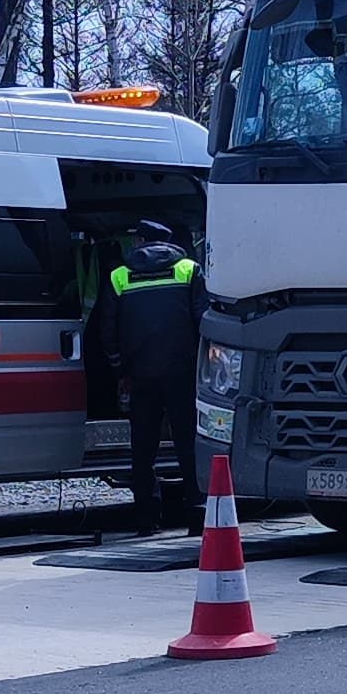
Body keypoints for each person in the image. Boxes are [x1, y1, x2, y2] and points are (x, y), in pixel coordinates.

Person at [94, 219, 206, 529]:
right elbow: (202, 321)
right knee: (188, 444)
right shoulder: (189, 270)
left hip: (139, 375)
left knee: (143, 448)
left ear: (141, 240)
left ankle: (146, 517)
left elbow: (108, 331)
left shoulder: (119, 276)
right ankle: (197, 514)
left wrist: (120, 370)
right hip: (183, 374)